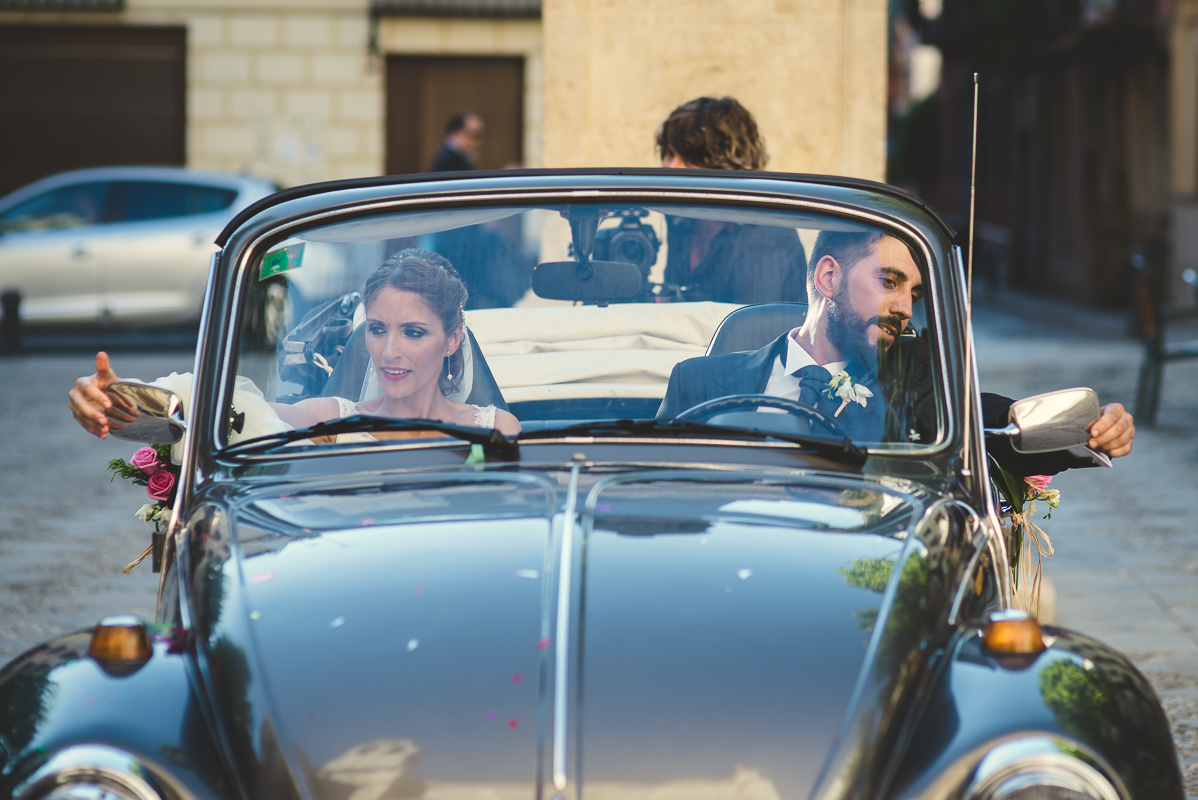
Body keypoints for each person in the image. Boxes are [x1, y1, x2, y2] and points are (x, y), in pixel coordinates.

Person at [657, 229, 1135, 475]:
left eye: (915, 293)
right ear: (829, 277)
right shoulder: (696, 382)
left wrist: (1083, 432)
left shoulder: (914, 375)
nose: (905, 308)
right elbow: (652, 490)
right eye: (890, 282)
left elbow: (983, 421)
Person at [68, 249, 521, 441]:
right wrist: (117, 402)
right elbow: (224, 414)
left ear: (452, 339)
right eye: (378, 329)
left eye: (414, 332)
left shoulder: (498, 427)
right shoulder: (330, 418)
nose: (389, 352)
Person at [656, 96, 806, 303]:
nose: (671, 167)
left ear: (725, 166)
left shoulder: (765, 231)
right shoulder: (680, 221)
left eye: (689, 160)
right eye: (669, 154)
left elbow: (752, 320)